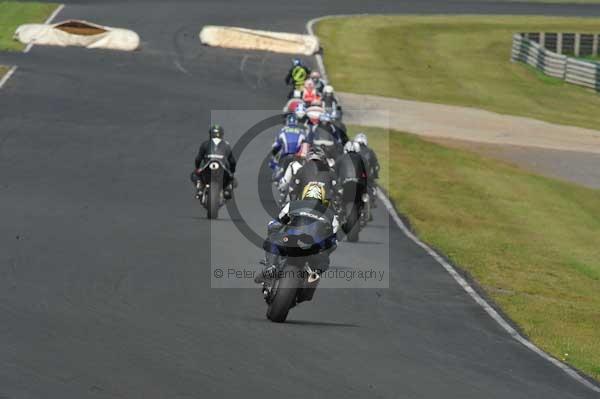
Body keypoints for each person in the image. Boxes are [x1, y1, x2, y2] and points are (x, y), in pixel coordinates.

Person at [255, 181, 339, 284]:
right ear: (323, 198)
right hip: (315, 249)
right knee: (324, 262)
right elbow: (333, 241)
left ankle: (270, 266)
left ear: (304, 194)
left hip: (289, 240)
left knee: (273, 239)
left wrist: (274, 233)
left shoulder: (292, 205)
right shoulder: (331, 215)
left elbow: (274, 225)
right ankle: (313, 276)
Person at [190, 124, 237, 199]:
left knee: (194, 175)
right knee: (233, 179)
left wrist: (197, 167)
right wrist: (232, 171)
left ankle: (199, 189)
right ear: (221, 134)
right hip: (222, 169)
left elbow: (198, 159)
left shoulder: (205, 143)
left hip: (208, 167)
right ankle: (227, 190)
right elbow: (232, 161)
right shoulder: (227, 145)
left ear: (210, 134)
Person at [270, 114, 306, 180]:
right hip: (298, 155)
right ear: (296, 122)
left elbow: (276, 144)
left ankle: (278, 170)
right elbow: (306, 142)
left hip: (286, 154)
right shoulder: (301, 131)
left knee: (273, 159)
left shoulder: (283, 130)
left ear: (287, 121)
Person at [354, 132, 380, 209]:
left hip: (354, 174)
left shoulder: (352, 151)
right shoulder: (370, 151)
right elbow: (375, 165)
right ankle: (372, 200)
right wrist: (375, 175)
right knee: (372, 185)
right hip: (365, 175)